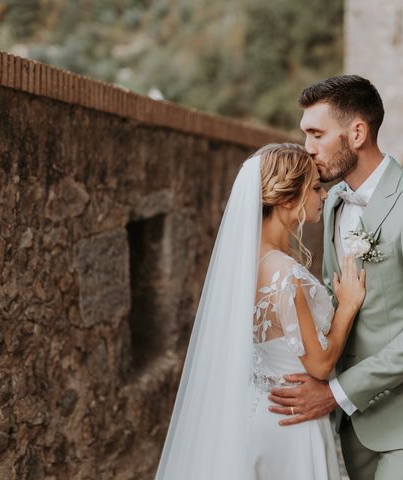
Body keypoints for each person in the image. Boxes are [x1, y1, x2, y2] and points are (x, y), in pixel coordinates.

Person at [268, 75, 403, 480]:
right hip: (354, 420)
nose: (307, 148)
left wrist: (336, 394)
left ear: (357, 132)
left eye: (316, 134)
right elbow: (332, 299)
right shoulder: (331, 205)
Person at [155, 143, 365, 479]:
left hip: (254, 416)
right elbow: (321, 365)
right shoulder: (284, 272)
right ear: (285, 199)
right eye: (313, 188)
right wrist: (348, 307)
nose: (323, 195)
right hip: (293, 422)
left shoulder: (241, 264)